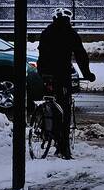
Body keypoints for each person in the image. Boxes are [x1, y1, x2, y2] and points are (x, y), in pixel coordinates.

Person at [36, 8, 95, 158]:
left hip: (45, 74)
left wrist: (43, 73)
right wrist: (87, 74)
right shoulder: (71, 34)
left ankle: (46, 130)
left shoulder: (46, 32)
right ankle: (64, 147)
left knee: (49, 102)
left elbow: (41, 54)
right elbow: (81, 56)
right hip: (62, 75)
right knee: (64, 109)